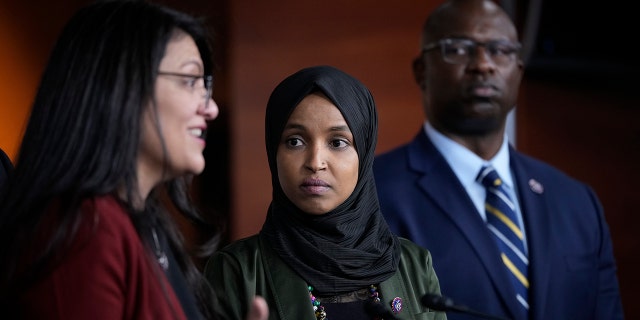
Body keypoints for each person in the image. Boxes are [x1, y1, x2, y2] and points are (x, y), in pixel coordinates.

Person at [0, 1, 268, 319]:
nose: (210, 109)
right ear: (121, 84)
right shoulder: (85, 228)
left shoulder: (142, 223)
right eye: (189, 81)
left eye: (204, 85)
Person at [373, 0, 624, 319]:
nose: (483, 64)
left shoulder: (577, 202)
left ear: (518, 71)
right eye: (459, 49)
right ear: (421, 70)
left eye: (499, 50)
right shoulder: (371, 195)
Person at [204, 65, 447, 320]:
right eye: (295, 141)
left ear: (363, 155)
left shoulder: (415, 265)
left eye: (337, 142)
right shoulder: (236, 271)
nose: (315, 161)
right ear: (273, 151)